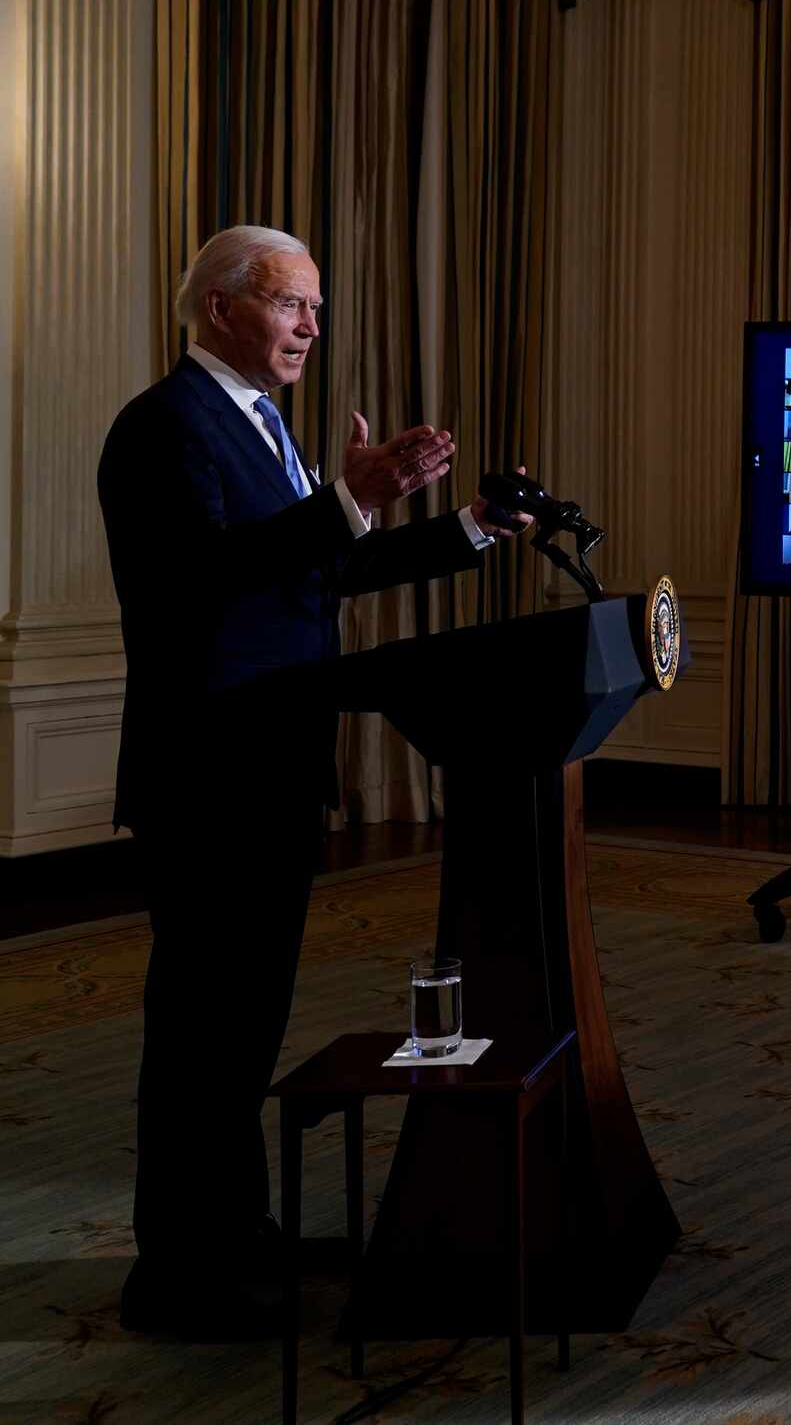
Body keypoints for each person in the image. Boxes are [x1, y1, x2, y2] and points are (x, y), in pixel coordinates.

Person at [97, 228, 528, 1339]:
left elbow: (318, 571)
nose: (311, 328)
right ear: (223, 307)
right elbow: (202, 582)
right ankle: (177, 1275)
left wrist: (466, 529)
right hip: (207, 779)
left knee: (245, 1028)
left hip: (276, 771)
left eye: (316, 309)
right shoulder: (161, 429)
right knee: (199, 1033)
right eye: (294, 306)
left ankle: (237, 1235)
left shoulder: (264, 425)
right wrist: (345, 498)